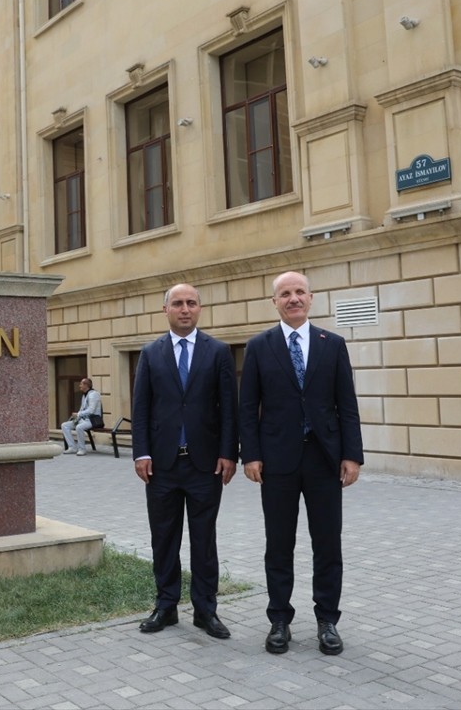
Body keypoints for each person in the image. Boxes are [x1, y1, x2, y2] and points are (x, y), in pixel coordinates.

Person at [239, 271, 363, 656]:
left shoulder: (333, 344)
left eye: (299, 293)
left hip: (325, 459)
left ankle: (327, 620)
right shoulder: (259, 346)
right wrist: (252, 455)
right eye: (284, 294)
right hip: (277, 461)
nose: (293, 299)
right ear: (274, 302)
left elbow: (347, 404)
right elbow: (248, 406)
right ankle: (280, 620)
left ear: (311, 298)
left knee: (328, 543)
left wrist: (352, 455)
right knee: (279, 543)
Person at [131, 283, 238, 638]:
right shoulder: (150, 353)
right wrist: (141, 452)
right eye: (178, 303)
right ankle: (166, 606)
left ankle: (206, 611)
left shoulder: (219, 352)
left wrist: (229, 453)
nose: (185, 309)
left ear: (200, 308)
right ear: (166, 310)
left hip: (205, 465)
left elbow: (229, 409)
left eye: (191, 303)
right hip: (160, 466)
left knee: (204, 540)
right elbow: (141, 408)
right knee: (164, 538)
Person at [60, 377, 102, 456]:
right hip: (83, 419)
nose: (79, 386)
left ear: (86, 385)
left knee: (79, 427)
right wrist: (77, 416)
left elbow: (91, 410)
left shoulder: (94, 394)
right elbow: (82, 409)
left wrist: (78, 414)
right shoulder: (84, 395)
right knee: (64, 425)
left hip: (93, 420)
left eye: (81, 384)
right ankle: (72, 447)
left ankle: (82, 449)